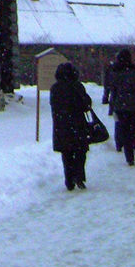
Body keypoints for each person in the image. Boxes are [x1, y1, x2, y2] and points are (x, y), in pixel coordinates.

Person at [50, 61, 92, 190]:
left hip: (61, 125)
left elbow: (54, 106)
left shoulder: (55, 88)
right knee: (80, 151)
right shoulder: (77, 86)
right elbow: (86, 105)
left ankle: (69, 180)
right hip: (77, 123)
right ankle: (79, 176)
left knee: (66, 153)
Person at [107, 48, 135, 166]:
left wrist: (113, 106)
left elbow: (113, 91)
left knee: (125, 132)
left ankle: (129, 156)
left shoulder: (115, 72)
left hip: (121, 107)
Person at [102, 53, 123, 152]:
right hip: (132, 105)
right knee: (133, 124)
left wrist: (107, 98)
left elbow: (111, 88)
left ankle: (119, 144)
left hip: (118, 103)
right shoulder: (134, 71)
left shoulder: (113, 70)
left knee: (119, 124)